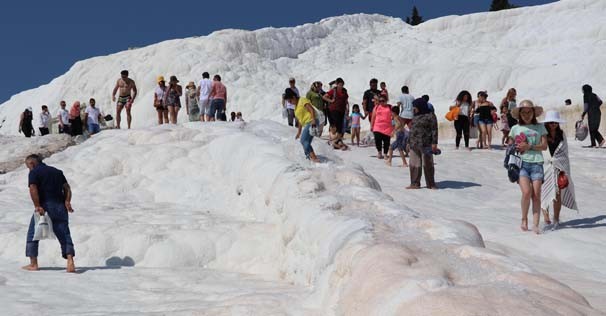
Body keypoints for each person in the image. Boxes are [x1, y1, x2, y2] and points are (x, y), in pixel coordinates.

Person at [22, 154, 76, 273]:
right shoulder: (57, 171)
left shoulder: (34, 172)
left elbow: (33, 188)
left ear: (32, 163)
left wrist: (37, 206)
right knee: (64, 233)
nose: (29, 169)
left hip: (46, 206)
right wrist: (67, 201)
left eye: (28, 166)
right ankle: (70, 260)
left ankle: (33, 264)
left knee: (33, 234)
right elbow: (67, 187)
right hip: (60, 206)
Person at [509, 100, 547, 234]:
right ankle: (524, 218)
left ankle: (535, 224)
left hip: (537, 163)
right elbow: (510, 147)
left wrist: (529, 146)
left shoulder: (540, 127)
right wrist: (516, 146)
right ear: (519, 114)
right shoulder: (515, 128)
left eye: (529, 112)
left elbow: (544, 146)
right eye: (523, 112)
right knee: (526, 192)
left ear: (533, 113)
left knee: (536, 194)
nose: (526, 115)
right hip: (522, 164)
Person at [540, 111, 578, 231]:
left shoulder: (562, 134)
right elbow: (540, 150)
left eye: (555, 122)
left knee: (557, 193)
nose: (553, 124)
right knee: (544, 191)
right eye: (551, 122)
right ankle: (546, 217)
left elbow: (564, 153)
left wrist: (563, 168)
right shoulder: (542, 133)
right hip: (544, 165)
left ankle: (556, 218)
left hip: (558, 167)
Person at [407, 97, 439, 190]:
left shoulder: (430, 115)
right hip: (414, 144)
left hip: (426, 144)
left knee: (427, 164)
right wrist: (408, 142)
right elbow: (412, 130)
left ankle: (431, 184)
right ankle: (415, 183)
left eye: (415, 107)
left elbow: (434, 130)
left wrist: (434, 143)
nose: (413, 109)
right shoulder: (415, 116)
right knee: (414, 164)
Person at [284, 88, 320, 162]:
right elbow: (300, 120)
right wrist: (299, 132)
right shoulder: (296, 107)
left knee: (303, 140)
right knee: (306, 142)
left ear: (294, 97)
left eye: (290, 101)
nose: (290, 103)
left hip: (311, 121)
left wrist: (313, 120)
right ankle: (308, 158)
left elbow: (311, 109)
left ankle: (315, 159)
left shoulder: (302, 100)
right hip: (308, 123)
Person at [323, 77, 349, 144]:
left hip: (342, 110)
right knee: (335, 124)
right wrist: (331, 100)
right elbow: (324, 97)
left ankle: (339, 140)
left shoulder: (344, 91)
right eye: (340, 84)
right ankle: (333, 139)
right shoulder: (333, 91)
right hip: (333, 109)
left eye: (342, 84)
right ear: (337, 84)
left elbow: (346, 100)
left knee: (340, 125)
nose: (341, 86)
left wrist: (347, 109)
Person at [370, 95, 393, 159]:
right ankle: (379, 152)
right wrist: (371, 125)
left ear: (386, 101)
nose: (381, 102)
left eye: (383, 101)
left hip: (387, 127)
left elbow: (394, 116)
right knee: (378, 140)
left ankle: (385, 153)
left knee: (386, 141)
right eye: (380, 101)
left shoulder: (390, 107)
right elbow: (373, 117)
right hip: (377, 126)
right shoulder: (376, 107)